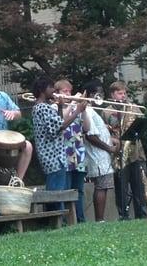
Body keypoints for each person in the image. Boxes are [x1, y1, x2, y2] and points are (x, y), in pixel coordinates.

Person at [31, 77, 86, 210]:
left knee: (57, 191)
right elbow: (60, 126)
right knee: (56, 193)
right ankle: (55, 220)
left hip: (55, 156)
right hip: (53, 156)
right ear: (42, 90)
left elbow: (57, 122)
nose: (54, 92)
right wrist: (77, 110)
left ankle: (57, 219)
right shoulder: (42, 107)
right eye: (51, 88)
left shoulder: (41, 107)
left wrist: (60, 107)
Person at [103, 81, 147, 220]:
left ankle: (142, 213)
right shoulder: (107, 111)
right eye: (119, 93)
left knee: (139, 186)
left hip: (136, 152)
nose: (123, 96)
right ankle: (123, 214)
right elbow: (105, 132)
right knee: (121, 187)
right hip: (119, 152)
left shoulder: (133, 108)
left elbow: (142, 123)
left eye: (124, 93)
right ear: (112, 94)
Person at [82, 80, 118, 222]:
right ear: (90, 94)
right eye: (99, 92)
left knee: (104, 187)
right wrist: (109, 147)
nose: (102, 95)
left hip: (102, 155)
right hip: (97, 155)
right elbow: (90, 135)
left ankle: (100, 219)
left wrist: (112, 140)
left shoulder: (92, 111)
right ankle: (100, 220)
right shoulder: (88, 111)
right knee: (101, 187)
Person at [54, 79, 89, 223]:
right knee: (66, 189)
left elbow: (87, 128)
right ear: (57, 93)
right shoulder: (54, 107)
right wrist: (73, 103)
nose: (69, 94)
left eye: (70, 91)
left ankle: (80, 219)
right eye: (65, 91)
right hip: (64, 153)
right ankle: (66, 220)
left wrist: (84, 111)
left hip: (79, 152)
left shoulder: (77, 109)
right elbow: (61, 121)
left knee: (79, 190)